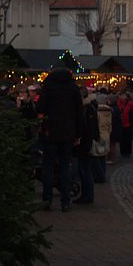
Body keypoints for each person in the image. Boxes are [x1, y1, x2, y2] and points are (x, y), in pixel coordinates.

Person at [35, 67, 83, 212]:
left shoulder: (48, 88)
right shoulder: (73, 89)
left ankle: (47, 199)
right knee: (65, 167)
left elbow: (40, 108)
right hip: (68, 133)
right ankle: (65, 201)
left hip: (50, 132)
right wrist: (78, 134)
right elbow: (79, 113)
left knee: (48, 166)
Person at [74, 86, 98, 205]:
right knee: (85, 170)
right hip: (86, 143)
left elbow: (87, 129)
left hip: (84, 144)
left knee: (85, 171)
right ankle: (87, 195)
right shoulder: (89, 108)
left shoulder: (86, 109)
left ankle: (87, 196)